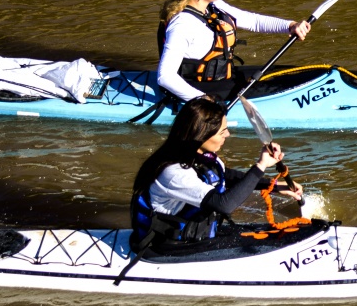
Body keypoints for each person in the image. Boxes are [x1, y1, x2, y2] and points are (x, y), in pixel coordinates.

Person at [129, 96, 303, 255]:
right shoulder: (174, 172)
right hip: (170, 245)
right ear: (201, 134)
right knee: (265, 245)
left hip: (195, 235)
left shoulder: (198, 154)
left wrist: (272, 186)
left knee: (278, 235)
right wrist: (261, 165)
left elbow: (224, 175)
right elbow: (224, 204)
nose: (228, 134)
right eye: (222, 131)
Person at [157, 0, 312, 102]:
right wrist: (203, 100)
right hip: (201, 89)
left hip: (225, 77)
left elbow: (253, 21)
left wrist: (290, 26)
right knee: (278, 86)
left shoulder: (213, 6)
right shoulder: (182, 24)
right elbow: (165, 76)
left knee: (292, 74)